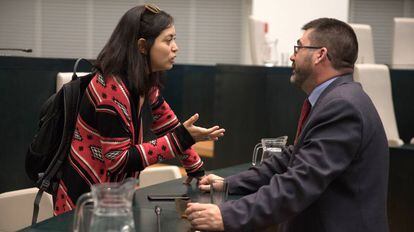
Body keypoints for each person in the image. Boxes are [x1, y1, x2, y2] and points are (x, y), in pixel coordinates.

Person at [185, 18, 389, 232]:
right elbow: (292, 159)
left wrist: (227, 216)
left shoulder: (342, 106)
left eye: (298, 48)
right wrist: (230, 183)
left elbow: (299, 183)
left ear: (320, 55)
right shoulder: (336, 98)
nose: (292, 56)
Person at [53, 4, 225, 215]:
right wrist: (181, 138)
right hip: (84, 205)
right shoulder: (111, 87)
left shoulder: (142, 79)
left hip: (113, 198)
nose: (175, 47)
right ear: (143, 46)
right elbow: (118, 161)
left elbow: (167, 123)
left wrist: (197, 171)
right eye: (168, 40)